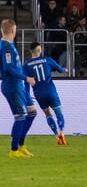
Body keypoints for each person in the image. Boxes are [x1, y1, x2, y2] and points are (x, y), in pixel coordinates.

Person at [1, 19, 37, 158]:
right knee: (20, 116)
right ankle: (14, 150)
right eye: (15, 29)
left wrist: (25, 75)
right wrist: (26, 78)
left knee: (32, 112)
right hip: (11, 85)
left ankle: (21, 145)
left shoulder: (10, 45)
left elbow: (15, 66)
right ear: (12, 30)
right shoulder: (6, 47)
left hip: (18, 85)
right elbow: (9, 69)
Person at [24, 43, 68, 145]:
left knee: (48, 114)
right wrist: (63, 69)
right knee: (59, 113)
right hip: (50, 92)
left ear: (31, 51)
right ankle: (61, 132)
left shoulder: (26, 65)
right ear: (39, 50)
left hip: (39, 94)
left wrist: (27, 97)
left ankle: (56, 136)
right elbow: (61, 70)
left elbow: (26, 83)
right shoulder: (47, 60)